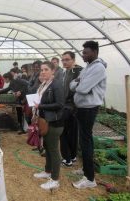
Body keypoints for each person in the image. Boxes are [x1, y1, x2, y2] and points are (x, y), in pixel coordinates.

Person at [70, 41, 107, 189]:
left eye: (86, 52)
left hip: (89, 108)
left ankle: (90, 179)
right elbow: (73, 84)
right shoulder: (88, 67)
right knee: (85, 140)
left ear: (94, 52)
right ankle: (86, 169)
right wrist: (78, 82)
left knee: (85, 142)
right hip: (83, 108)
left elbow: (83, 88)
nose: (83, 55)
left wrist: (79, 83)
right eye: (83, 52)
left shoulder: (98, 68)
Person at [33, 61, 64, 190]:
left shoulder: (56, 85)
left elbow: (60, 104)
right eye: (42, 70)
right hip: (45, 121)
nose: (43, 72)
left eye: (46, 69)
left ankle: (55, 179)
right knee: (47, 148)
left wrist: (41, 106)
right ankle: (48, 171)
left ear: (53, 71)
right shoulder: (45, 84)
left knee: (53, 151)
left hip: (54, 122)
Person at [60, 52, 82, 167]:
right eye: (63, 60)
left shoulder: (78, 72)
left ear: (73, 59)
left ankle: (67, 158)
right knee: (70, 132)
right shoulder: (65, 72)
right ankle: (71, 157)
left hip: (72, 106)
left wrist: (72, 105)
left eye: (67, 59)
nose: (64, 62)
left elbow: (77, 90)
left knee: (66, 133)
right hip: (66, 105)